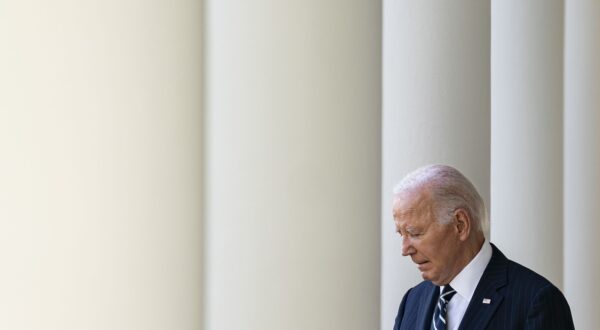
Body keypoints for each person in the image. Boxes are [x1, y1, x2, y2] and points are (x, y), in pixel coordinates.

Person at [392, 164, 574, 330]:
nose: (405, 249)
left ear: (460, 224)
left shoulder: (535, 301)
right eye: (402, 234)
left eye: (415, 233)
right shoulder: (412, 301)